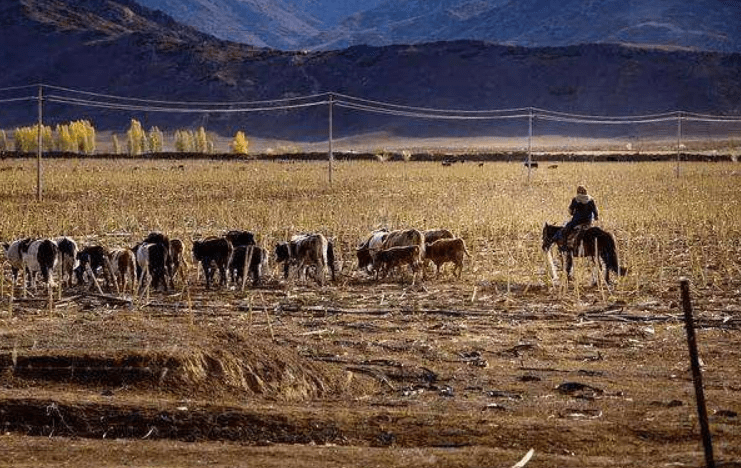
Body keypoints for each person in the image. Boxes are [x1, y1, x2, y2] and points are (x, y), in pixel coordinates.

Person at [553, 185, 599, 250]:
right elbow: (595, 210)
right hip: (588, 222)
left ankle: (565, 246)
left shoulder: (576, 199)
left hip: (577, 221)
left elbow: (570, 210)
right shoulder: (591, 199)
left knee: (566, 230)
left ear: (577, 192)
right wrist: (596, 216)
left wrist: (572, 213)